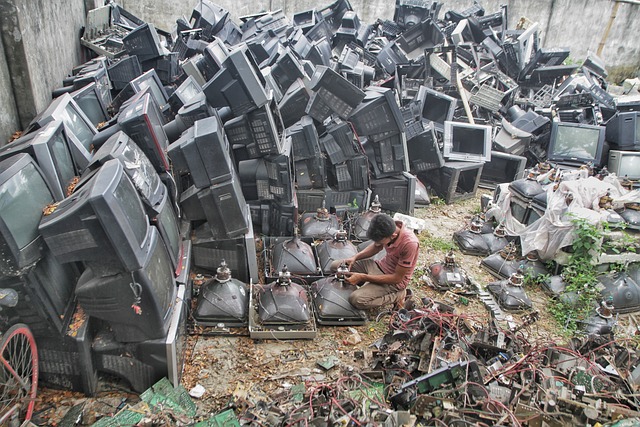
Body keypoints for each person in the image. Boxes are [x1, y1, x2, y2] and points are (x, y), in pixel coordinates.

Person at [336, 213, 419, 311]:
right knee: (337, 266)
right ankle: (368, 286)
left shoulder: (410, 244)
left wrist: (362, 277)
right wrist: (355, 258)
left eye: (380, 242)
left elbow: (397, 278)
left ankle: (399, 295)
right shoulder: (389, 226)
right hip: (379, 266)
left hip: (393, 281)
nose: (378, 243)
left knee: (356, 299)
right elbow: (376, 246)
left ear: (393, 236)